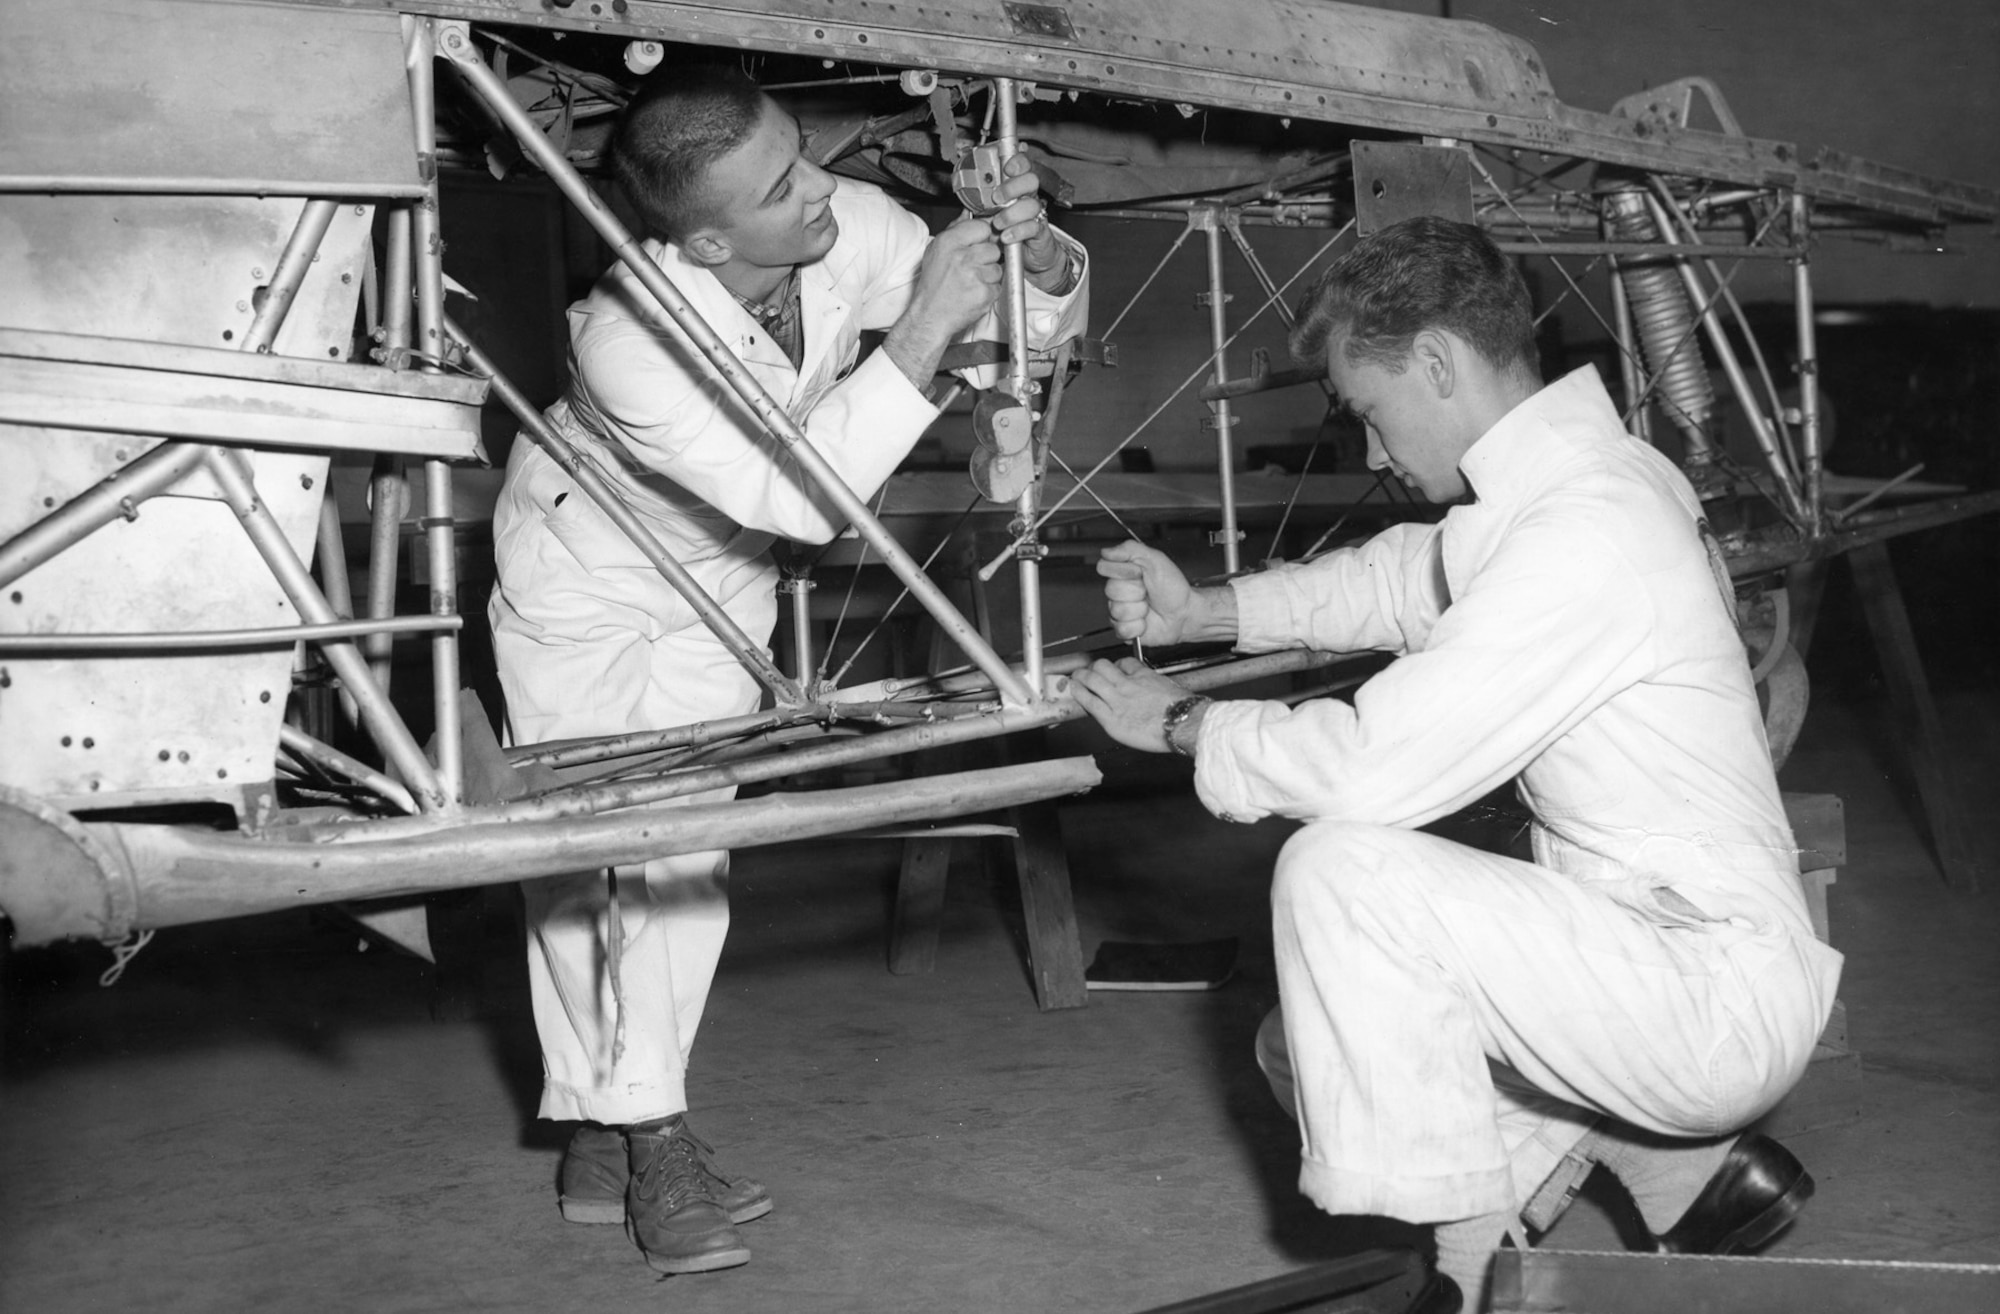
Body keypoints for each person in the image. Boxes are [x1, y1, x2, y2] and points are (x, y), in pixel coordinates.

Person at [1068, 216, 1839, 1308]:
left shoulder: (1589, 526)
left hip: (1703, 985)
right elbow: (1392, 578)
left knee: (1341, 872)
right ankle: (1685, 1175)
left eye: (1371, 414)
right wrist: (1207, 610)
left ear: (1435, 361)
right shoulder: (1572, 483)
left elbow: (1373, 771)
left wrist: (1186, 724)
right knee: (1303, 1045)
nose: (1374, 452)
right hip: (1639, 944)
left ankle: (1473, 1284)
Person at [489, 67, 1088, 1276]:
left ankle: (606, 1133)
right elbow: (801, 496)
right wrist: (918, 323)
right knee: (580, 847)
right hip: (584, 583)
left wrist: (1042, 254)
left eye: (803, 154)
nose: (820, 189)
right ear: (705, 239)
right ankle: (654, 1141)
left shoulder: (837, 224)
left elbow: (1009, 323)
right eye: (780, 187)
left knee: (687, 855)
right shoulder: (624, 334)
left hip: (716, 576)